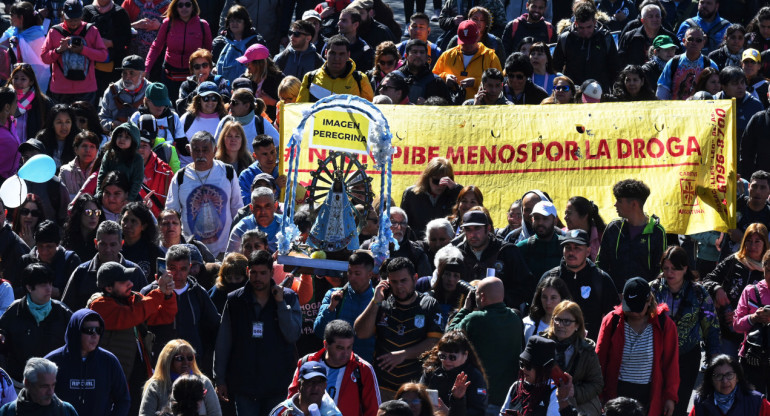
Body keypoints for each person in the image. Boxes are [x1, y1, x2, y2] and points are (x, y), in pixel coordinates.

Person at [213, 250, 302, 415]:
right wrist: (220, 378)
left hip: (278, 385)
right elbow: (223, 341)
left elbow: (292, 335)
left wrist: (280, 304)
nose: (257, 277)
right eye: (253, 272)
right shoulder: (234, 300)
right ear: (247, 272)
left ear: (271, 272)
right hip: (244, 385)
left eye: (262, 273)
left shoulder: (288, 297)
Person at [88, 261, 177, 416]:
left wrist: (167, 295)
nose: (130, 283)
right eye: (123, 282)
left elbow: (164, 316)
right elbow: (130, 316)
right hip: (113, 378)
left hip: (139, 373)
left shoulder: (133, 299)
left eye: (129, 279)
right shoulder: (98, 305)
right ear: (108, 288)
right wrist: (159, 292)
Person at [354, 257, 443, 400]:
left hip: (415, 387)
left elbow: (435, 342)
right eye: (394, 282)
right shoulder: (382, 304)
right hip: (382, 386)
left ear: (415, 279)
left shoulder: (429, 305)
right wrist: (375, 301)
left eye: (403, 281)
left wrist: (403, 354)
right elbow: (361, 333)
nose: (399, 286)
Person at [650, 246, 720, 416]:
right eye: (665, 268)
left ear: (685, 268)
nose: (669, 273)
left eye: (675, 268)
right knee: (654, 404)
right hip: (656, 355)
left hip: (687, 357)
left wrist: (714, 359)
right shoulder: (652, 290)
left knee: (678, 407)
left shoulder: (698, 292)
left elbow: (711, 326)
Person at [595, 277, 679, 416]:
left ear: (649, 301)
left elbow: (671, 364)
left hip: (648, 395)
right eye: (630, 307)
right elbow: (599, 360)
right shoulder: (612, 320)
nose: (634, 312)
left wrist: (670, 397)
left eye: (638, 308)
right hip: (616, 392)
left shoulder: (665, 324)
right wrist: (598, 394)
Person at [139, 245, 220, 371]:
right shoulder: (150, 291)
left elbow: (214, 324)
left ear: (190, 268)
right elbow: (139, 325)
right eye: (172, 268)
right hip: (160, 363)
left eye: (183, 268)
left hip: (191, 364)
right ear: (165, 267)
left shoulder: (198, 292)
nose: (178, 274)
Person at [165, 131, 244, 258]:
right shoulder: (180, 177)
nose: (200, 154)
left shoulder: (228, 172)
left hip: (224, 251)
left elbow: (237, 209)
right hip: (191, 253)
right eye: (196, 150)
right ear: (189, 151)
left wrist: (235, 246)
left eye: (205, 150)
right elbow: (171, 213)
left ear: (215, 150)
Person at [44, 309, 130, 416]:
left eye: (98, 330)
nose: (95, 335)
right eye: (89, 330)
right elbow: (37, 399)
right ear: (76, 331)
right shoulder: (52, 361)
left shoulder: (109, 361)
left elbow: (123, 400)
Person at [289, 320, 380, 416]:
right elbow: (291, 402)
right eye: (340, 348)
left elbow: (374, 411)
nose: (346, 354)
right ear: (326, 345)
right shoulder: (306, 362)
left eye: (349, 347)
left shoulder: (363, 369)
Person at [705, 223, 769, 357]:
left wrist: (741, 314)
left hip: (756, 335)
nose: (752, 246)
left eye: (757, 242)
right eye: (749, 241)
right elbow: (707, 281)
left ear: (765, 244)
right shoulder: (734, 261)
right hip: (727, 330)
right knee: (727, 372)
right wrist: (717, 289)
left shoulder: (767, 270)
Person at [0, 264, 72, 383]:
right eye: (43, 285)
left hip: (55, 382)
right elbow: (3, 332)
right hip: (20, 382)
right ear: (29, 287)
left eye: (50, 283)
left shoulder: (63, 312)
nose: (49, 289)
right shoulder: (14, 310)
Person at [542, 229, 619, 339]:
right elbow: (536, 312)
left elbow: (614, 318)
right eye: (568, 247)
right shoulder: (550, 278)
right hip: (554, 347)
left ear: (588, 251)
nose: (571, 252)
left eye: (577, 248)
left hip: (590, 349)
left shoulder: (601, 279)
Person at [596, 179, 667, 289]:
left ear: (634, 204)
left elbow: (660, 270)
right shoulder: (613, 228)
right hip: (615, 299)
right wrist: (611, 292)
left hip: (646, 299)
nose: (615, 204)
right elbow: (601, 265)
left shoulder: (657, 231)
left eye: (619, 201)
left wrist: (648, 295)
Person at [40, 0, 109, 104]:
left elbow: (103, 56)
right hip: (61, 89)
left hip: (86, 89)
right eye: (70, 19)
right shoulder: (54, 31)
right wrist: (58, 50)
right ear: (63, 15)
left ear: (81, 15)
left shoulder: (91, 30)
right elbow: (44, 58)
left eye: (76, 19)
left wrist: (83, 50)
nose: (73, 23)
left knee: (84, 120)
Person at [542, 301, 604, 416]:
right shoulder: (540, 343)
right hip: (543, 403)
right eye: (557, 319)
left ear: (577, 325)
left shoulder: (586, 351)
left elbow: (597, 384)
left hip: (576, 407)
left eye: (567, 321)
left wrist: (575, 392)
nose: (560, 325)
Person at [313, 252, 377, 362]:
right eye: (349, 272)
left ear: (370, 274)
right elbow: (319, 332)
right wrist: (331, 308)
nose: (351, 277)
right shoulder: (333, 295)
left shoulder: (378, 300)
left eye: (357, 273)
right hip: (336, 365)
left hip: (366, 367)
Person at [145, 0, 212, 99]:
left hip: (193, 76)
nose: (184, 8)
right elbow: (156, 47)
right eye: (180, 5)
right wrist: (147, 69)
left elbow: (208, 52)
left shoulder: (203, 25)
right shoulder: (167, 23)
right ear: (175, 7)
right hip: (170, 76)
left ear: (193, 7)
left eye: (187, 4)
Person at [139, 339, 220, 416]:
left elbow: (216, 413)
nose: (186, 362)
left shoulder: (204, 382)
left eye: (190, 357)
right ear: (168, 361)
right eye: (180, 358)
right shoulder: (155, 386)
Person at [552, 1, 621, 91]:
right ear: (576, 23)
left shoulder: (605, 38)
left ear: (595, 22)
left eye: (589, 27)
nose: (585, 32)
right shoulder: (565, 38)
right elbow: (556, 69)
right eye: (581, 28)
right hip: (573, 93)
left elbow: (614, 68)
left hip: (600, 92)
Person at [501, 335, 575, 415]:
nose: (524, 369)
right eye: (522, 364)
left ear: (543, 369)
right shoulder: (516, 387)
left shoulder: (554, 393)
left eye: (528, 366)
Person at [420, 330, 488, 416]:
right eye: (442, 356)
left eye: (452, 357)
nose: (446, 361)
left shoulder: (474, 377)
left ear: (465, 355)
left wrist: (450, 412)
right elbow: (418, 398)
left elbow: (479, 412)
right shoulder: (431, 372)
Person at [432, 20, 502, 103]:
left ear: (478, 36)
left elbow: (499, 84)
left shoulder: (490, 57)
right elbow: (433, 79)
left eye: (470, 41)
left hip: (480, 108)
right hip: (450, 107)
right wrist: (445, 77)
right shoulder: (447, 55)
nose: (467, 45)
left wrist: (476, 82)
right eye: (464, 42)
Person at [297, 35, 375, 102]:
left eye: (341, 54)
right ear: (326, 53)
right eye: (333, 53)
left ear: (348, 55)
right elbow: (300, 110)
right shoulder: (310, 77)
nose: (337, 58)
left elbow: (369, 112)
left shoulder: (360, 79)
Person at [129, 82, 188, 168]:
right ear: (146, 101)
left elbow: (181, 144)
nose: (160, 106)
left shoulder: (173, 117)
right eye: (157, 103)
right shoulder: (137, 117)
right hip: (142, 164)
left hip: (169, 164)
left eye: (163, 103)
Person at [400, 158, 462, 239]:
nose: (440, 185)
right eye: (436, 181)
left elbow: (471, 209)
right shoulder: (411, 194)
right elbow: (402, 223)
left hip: (445, 245)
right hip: (417, 244)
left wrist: (456, 188)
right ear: (427, 178)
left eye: (444, 181)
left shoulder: (454, 194)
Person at [18, 220, 81, 299]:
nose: (44, 251)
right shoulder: (26, 261)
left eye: (49, 246)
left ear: (57, 244)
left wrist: (59, 292)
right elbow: (16, 291)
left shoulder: (71, 261)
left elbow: (77, 293)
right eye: (40, 246)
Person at [690, 354, 770, 415]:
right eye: (718, 376)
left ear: (737, 377)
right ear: (711, 380)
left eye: (729, 375)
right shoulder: (700, 403)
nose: (724, 381)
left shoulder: (757, 403)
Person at [82, 0, 132, 94]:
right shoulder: (87, 11)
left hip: (114, 65)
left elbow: (127, 38)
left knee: (112, 98)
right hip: (89, 65)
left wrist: (110, 43)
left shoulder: (120, 12)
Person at [657, 26, 720, 100]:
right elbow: (663, 89)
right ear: (684, 41)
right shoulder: (673, 63)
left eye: (698, 40)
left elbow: (716, 93)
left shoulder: (710, 65)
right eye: (690, 39)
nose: (694, 43)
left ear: (703, 43)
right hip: (676, 110)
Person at [0, 358, 77, 416]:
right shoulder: (8, 412)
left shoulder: (67, 411)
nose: (51, 392)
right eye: (44, 386)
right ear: (27, 383)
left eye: (53, 385)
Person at [3, 2, 50, 94]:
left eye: (12, 15)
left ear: (21, 17)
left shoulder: (37, 35)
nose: (10, 18)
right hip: (15, 76)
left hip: (34, 77)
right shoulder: (12, 31)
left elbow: (40, 63)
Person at [214, 90, 280, 154]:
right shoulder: (225, 121)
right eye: (230, 101)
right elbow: (215, 147)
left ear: (246, 106)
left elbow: (280, 145)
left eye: (234, 103)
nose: (230, 105)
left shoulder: (260, 123)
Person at [212, 5, 265, 83]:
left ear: (245, 23)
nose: (234, 24)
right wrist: (214, 68)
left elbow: (262, 67)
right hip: (223, 88)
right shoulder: (220, 42)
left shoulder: (255, 42)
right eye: (232, 21)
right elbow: (213, 63)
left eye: (238, 21)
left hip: (249, 86)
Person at [97, 55, 149, 133]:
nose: (127, 77)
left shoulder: (151, 91)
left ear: (143, 75)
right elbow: (102, 118)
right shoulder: (111, 91)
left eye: (132, 73)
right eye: (124, 73)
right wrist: (112, 124)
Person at [272, 362, 342, 416]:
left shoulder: (333, 413)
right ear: (299, 386)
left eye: (320, 382)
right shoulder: (281, 412)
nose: (315, 387)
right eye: (310, 382)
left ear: (325, 386)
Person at [391, 39, 449, 104]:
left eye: (422, 52)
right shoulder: (393, 79)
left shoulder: (437, 82)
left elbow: (447, 109)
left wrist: (428, 106)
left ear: (427, 57)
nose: (418, 55)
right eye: (414, 52)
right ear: (406, 56)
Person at [516, 201, 564, 279]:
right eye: (537, 218)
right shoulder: (521, 248)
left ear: (555, 221)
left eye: (545, 218)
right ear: (532, 220)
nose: (540, 222)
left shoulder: (566, 246)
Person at [176, 49, 231, 115]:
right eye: (197, 67)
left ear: (210, 67)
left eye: (204, 65)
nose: (201, 69)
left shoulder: (219, 81)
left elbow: (226, 102)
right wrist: (198, 89)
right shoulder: (186, 85)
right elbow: (181, 108)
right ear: (192, 70)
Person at [8, 62, 53, 143]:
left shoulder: (43, 103)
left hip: (32, 150)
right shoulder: (4, 99)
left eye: (23, 79)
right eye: (15, 78)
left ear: (31, 81)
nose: (18, 82)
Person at [227, 187, 281, 253]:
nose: (263, 212)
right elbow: (230, 261)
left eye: (267, 206)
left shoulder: (287, 225)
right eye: (258, 207)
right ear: (251, 208)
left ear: (275, 206)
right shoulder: (240, 229)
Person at [715, 66, 764, 139]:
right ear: (724, 87)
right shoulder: (713, 103)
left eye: (742, 82)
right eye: (735, 84)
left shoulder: (756, 105)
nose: (740, 87)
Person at [217, 0, 281, 54]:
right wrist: (223, 36)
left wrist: (282, 34)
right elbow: (226, 13)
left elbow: (283, 11)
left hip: (270, 40)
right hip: (242, 42)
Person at [524, 276, 571, 343]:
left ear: (562, 299)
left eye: (553, 298)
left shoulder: (572, 327)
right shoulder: (528, 324)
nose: (548, 302)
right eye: (544, 297)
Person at [35, 104, 80, 172]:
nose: (64, 126)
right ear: (52, 124)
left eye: (67, 122)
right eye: (59, 122)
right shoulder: (42, 138)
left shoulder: (79, 139)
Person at [59, 131, 101, 200]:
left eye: (92, 146)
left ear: (97, 151)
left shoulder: (101, 170)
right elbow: (61, 197)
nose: (88, 150)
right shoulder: (65, 171)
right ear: (76, 149)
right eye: (84, 146)